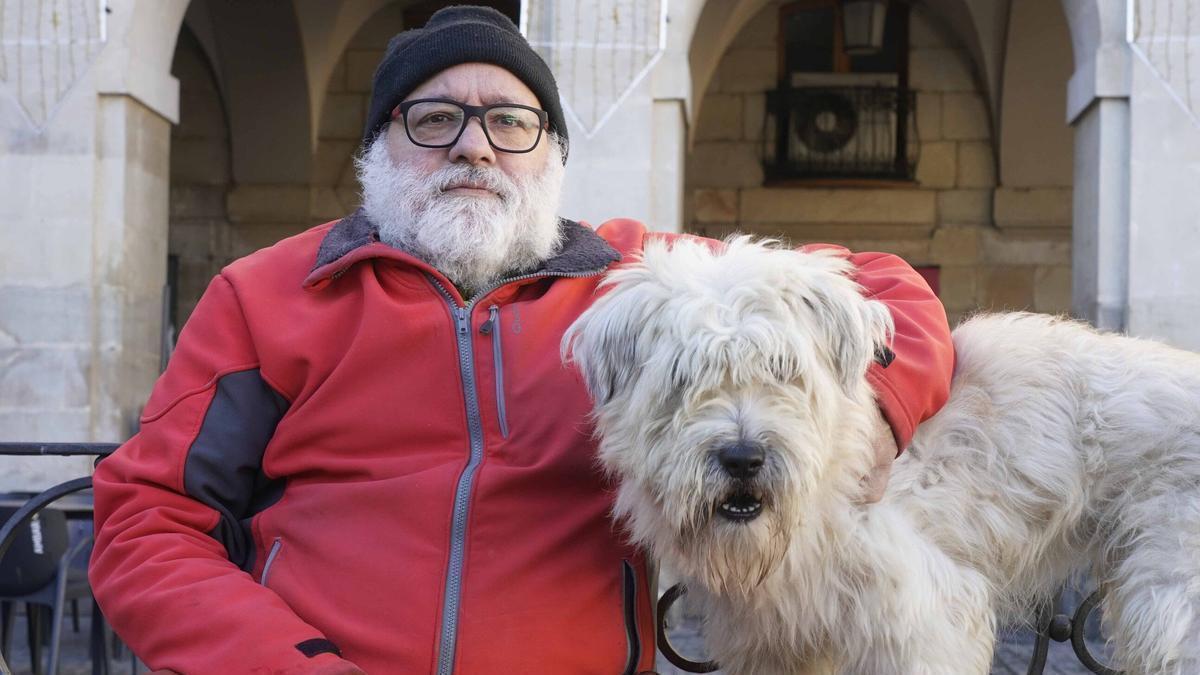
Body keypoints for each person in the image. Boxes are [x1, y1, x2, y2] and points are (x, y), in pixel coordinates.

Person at [89, 6, 954, 674]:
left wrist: (875, 412)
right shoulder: (265, 295)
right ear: (379, 149)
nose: (474, 147)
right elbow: (145, 524)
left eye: (511, 121)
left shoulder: (636, 279)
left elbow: (887, 287)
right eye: (434, 120)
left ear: (550, 155)